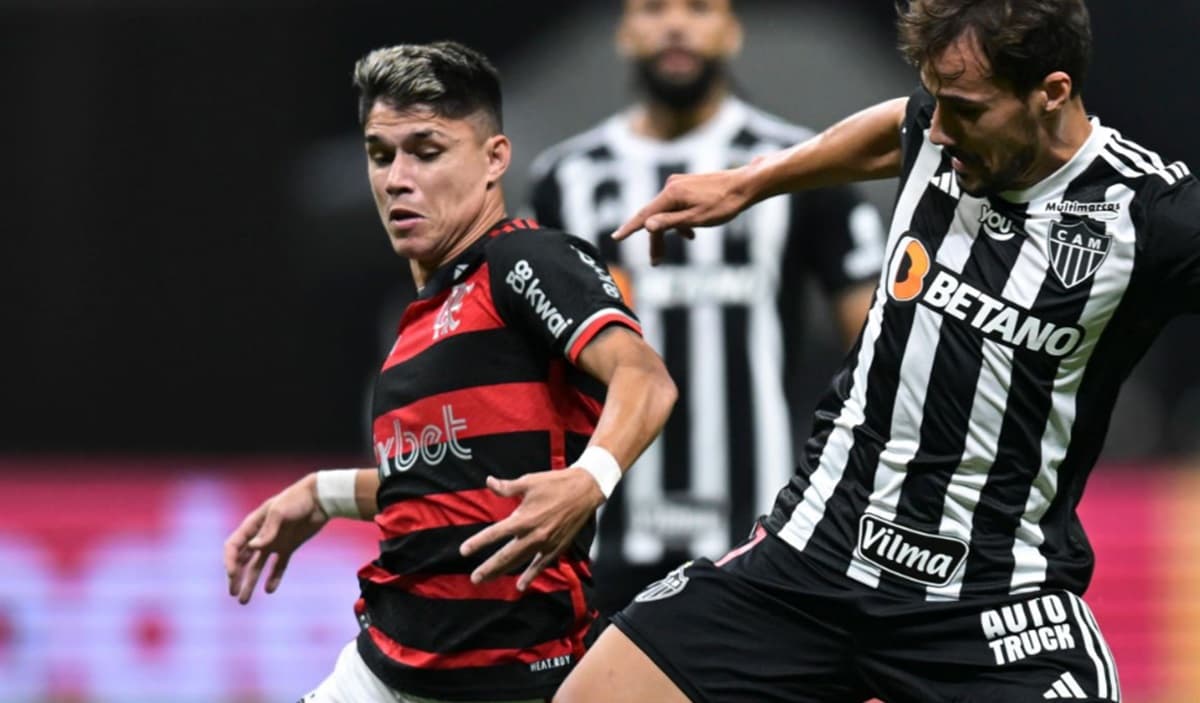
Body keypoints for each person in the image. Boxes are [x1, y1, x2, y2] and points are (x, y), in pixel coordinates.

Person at [556, 1, 1200, 701]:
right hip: (812, 558)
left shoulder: (1150, 215)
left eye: (964, 109)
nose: (937, 128)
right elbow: (897, 126)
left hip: (989, 598)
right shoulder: (940, 128)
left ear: (1052, 93)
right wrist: (751, 183)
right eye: (934, 102)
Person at [222, 41, 677, 703]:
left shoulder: (526, 260)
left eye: (427, 151)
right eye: (381, 155)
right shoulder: (415, 327)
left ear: (494, 158)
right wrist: (320, 493)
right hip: (383, 666)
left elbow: (646, 377)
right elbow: (439, 486)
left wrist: (589, 479)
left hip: (511, 676)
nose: (397, 178)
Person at [527, 0, 884, 614]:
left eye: (697, 8)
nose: (674, 24)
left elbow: (878, 344)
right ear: (624, 31)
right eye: (653, 9)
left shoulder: (793, 164)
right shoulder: (566, 177)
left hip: (756, 530)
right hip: (606, 526)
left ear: (732, 30)